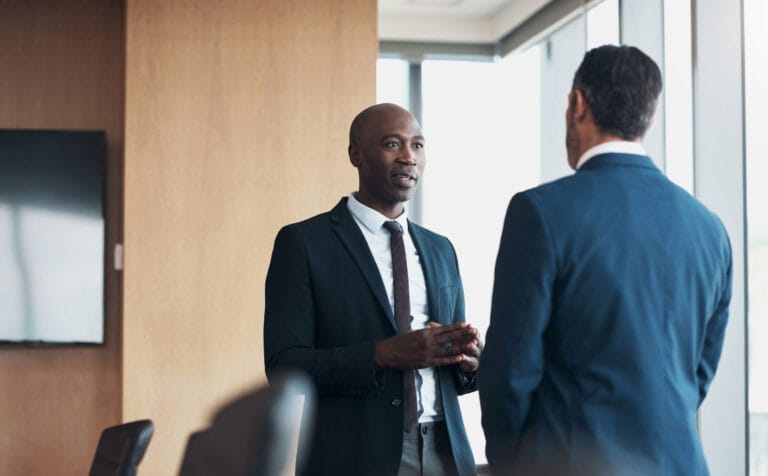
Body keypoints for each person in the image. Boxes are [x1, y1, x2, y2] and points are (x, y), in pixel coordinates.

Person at [479, 45, 732, 476]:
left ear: (577, 104)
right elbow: (698, 374)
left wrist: (512, 462)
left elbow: (512, 369)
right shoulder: (709, 229)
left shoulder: (540, 213)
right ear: (650, 118)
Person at [264, 103, 481, 476]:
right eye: (393, 144)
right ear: (355, 153)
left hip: (447, 453)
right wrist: (382, 354)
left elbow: (458, 369)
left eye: (418, 145)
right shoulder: (303, 243)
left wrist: (472, 361)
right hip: (352, 458)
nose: (409, 158)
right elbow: (284, 366)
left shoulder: (442, 248)